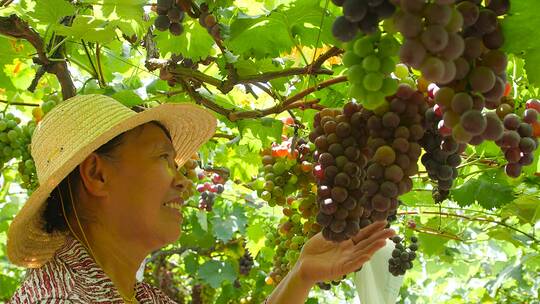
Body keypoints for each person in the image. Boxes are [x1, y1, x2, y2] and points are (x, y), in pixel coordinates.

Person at [6, 94, 395, 303]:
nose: (183, 183)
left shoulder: (133, 293)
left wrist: (301, 274)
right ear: (97, 174)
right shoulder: (61, 299)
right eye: (163, 158)